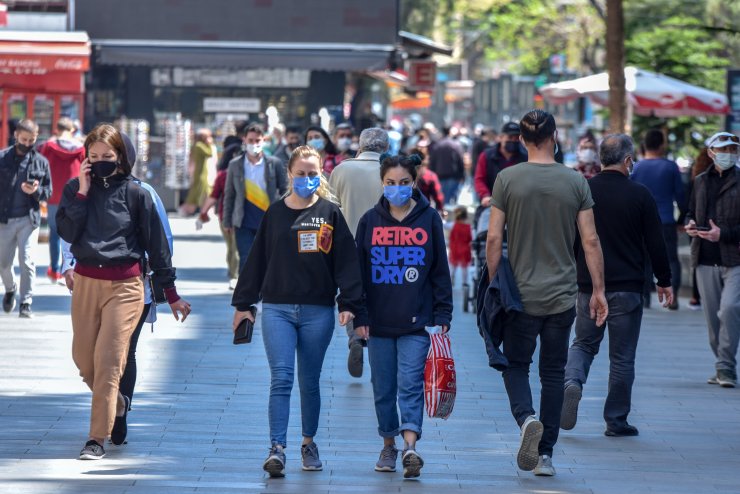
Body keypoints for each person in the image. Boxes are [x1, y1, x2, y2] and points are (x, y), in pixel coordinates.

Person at [55, 123, 190, 460]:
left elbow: (158, 247)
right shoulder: (75, 190)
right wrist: (84, 191)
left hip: (126, 286)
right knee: (83, 359)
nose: (101, 161)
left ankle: (96, 439)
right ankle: (118, 402)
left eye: (108, 156)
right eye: (94, 156)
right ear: (86, 158)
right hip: (86, 283)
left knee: (109, 361)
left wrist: (170, 293)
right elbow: (67, 231)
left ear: (121, 157)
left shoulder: (138, 193)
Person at [231, 145, 366, 477]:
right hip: (277, 309)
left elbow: (347, 262)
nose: (307, 179)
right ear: (289, 174)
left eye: (312, 174)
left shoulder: (330, 213)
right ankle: (277, 448)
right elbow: (256, 261)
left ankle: (308, 442)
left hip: (316, 311)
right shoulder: (274, 213)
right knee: (281, 378)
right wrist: (243, 305)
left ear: (320, 175)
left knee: (309, 381)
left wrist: (349, 303)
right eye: (301, 174)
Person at [485, 109, 608, 477]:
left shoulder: (507, 179)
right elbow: (590, 240)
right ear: (555, 137)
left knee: (515, 364)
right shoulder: (575, 182)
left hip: (519, 295)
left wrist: (495, 283)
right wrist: (598, 290)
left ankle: (526, 420)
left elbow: (493, 238)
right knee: (553, 373)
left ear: (521, 140)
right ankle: (545, 456)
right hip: (561, 296)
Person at [561, 134, 673, 438]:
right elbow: (655, 243)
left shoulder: (584, 191)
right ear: (627, 161)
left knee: (583, 344)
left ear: (600, 160)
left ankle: (572, 382)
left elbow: (572, 239)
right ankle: (616, 419)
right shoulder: (641, 195)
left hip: (587, 286)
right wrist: (664, 281)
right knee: (622, 357)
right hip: (627, 288)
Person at [355, 153, 452, 479]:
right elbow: (359, 274)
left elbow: (440, 269)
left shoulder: (429, 219)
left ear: (415, 180)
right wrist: (359, 314)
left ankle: (411, 446)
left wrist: (443, 312)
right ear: (382, 183)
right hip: (379, 323)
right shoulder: (369, 221)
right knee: (383, 388)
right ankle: (388, 444)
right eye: (390, 183)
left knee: (410, 384)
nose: (397, 189)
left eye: (404, 183)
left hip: (416, 321)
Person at [328, 127, 388, 378]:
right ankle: (374, 340)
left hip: (348, 245)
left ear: (359, 146)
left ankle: (354, 337)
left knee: (352, 294)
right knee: (379, 296)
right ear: (385, 148)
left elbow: (330, 210)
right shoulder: (390, 172)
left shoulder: (342, 169)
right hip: (385, 246)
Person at [685, 132, 740, 388]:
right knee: (712, 319)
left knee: (730, 309)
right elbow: (690, 212)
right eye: (723, 149)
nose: (728, 153)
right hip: (705, 258)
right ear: (711, 153)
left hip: (734, 258)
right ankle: (722, 362)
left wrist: (724, 234)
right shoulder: (700, 181)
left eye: (733, 149)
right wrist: (691, 225)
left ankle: (726, 366)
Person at [0, 119, 51, 318]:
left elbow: (48, 191)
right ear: (16, 136)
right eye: (24, 139)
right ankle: (10, 288)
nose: (27, 143)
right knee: (3, 264)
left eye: (31, 140)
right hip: (4, 219)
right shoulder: (2, 158)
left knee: (27, 260)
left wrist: (36, 192)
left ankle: (26, 302)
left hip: (28, 219)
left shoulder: (41, 162)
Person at [631, 129, 686, 310]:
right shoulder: (670, 167)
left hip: (641, 223)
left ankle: (645, 298)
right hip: (666, 220)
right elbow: (680, 196)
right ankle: (674, 296)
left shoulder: (636, 167)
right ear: (662, 145)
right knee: (671, 259)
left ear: (644, 144)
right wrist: (682, 220)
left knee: (644, 259)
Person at [222, 123, 288, 271]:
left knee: (268, 260)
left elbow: (284, 190)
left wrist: (284, 216)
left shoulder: (274, 163)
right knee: (246, 259)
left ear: (263, 140)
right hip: (243, 222)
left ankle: (265, 293)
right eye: (250, 140)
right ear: (244, 140)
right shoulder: (235, 165)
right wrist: (227, 221)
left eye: (257, 141)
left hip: (268, 221)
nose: (254, 144)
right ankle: (246, 293)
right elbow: (229, 195)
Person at [37, 117, 85, 283]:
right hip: (74, 195)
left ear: (56, 129)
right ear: (72, 130)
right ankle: (69, 268)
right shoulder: (80, 148)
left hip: (54, 195)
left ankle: (55, 271)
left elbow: (39, 165)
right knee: (72, 232)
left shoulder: (48, 146)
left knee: (55, 233)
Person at [199, 166, 239, 289]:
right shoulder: (230, 175)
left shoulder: (223, 175)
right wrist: (203, 213)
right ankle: (235, 276)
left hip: (225, 217)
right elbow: (214, 196)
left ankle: (233, 274)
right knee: (235, 248)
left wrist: (203, 213)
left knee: (232, 247)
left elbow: (214, 196)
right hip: (238, 218)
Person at [686, 147, 715, 310]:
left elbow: (688, 205)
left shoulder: (695, 177)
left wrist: (687, 221)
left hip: (698, 226)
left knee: (697, 259)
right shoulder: (700, 180)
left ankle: (696, 296)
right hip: (702, 226)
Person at [474, 122, 527, 207]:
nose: (513, 140)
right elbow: (479, 179)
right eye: (510, 137)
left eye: (517, 138)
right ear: (500, 137)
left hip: (519, 206)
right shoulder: (486, 156)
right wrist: (485, 195)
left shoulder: (526, 157)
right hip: (491, 204)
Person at [181, 128, 217, 216]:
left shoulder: (197, 145)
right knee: (198, 192)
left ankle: (206, 209)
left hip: (204, 173)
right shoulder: (199, 146)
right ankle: (187, 209)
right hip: (201, 174)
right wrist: (209, 144)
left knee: (206, 192)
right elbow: (209, 153)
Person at [428, 127, 465, 205]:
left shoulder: (437, 145)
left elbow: (432, 161)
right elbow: (460, 160)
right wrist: (462, 175)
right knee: (449, 200)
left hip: (439, 175)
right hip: (452, 175)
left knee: (440, 199)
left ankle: (441, 214)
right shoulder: (456, 145)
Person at [414, 146, 445, 213]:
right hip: (423, 212)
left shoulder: (404, 174)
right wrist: (441, 209)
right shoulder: (430, 176)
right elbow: (438, 198)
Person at [448, 206, 472, 287]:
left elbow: (444, 225)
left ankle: (451, 280)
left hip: (454, 249)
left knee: (453, 267)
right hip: (465, 249)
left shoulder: (452, 225)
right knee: (464, 268)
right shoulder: (469, 227)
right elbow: (471, 238)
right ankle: (464, 283)